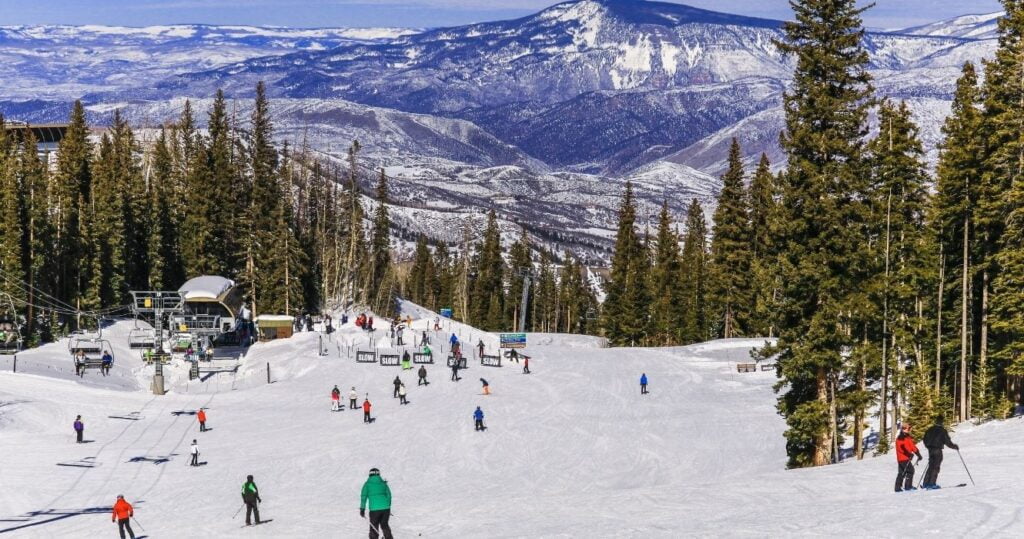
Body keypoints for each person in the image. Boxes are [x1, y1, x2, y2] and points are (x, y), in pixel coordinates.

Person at [922, 416, 959, 489]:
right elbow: (947, 442)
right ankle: (932, 484)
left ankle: (925, 483)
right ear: (941, 422)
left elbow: (924, 439)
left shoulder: (930, 429)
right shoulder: (942, 431)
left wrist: (928, 446)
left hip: (930, 449)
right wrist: (954, 447)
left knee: (931, 466)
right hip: (937, 450)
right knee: (936, 467)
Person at [360, 468, 393, 539]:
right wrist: (388, 505)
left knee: (374, 526)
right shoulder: (383, 484)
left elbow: (363, 497)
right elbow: (389, 495)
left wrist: (362, 508)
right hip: (386, 509)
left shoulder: (367, 484)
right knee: (384, 525)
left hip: (374, 510)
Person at [894, 423, 922, 492]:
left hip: (906, 458)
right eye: (908, 428)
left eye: (909, 428)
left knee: (902, 472)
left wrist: (918, 454)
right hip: (903, 458)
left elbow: (912, 446)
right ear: (903, 429)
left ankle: (898, 488)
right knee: (910, 471)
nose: (909, 430)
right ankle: (908, 486)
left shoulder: (907, 437)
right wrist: (908, 454)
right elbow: (901, 448)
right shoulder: (900, 438)